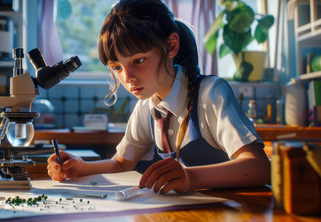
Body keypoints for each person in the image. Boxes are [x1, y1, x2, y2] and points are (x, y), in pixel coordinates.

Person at [47, 0, 270, 194]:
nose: (128, 78)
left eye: (139, 60)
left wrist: (190, 177)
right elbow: (122, 163)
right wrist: (79, 166)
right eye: (117, 68)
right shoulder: (146, 106)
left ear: (171, 46)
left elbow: (259, 167)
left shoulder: (211, 93)